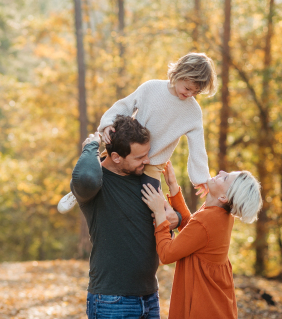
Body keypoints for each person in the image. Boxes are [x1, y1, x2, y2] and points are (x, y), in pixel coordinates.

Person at [58, 52, 217, 214]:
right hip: (128, 149)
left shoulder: (193, 112)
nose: (189, 94)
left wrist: (202, 178)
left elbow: (198, 147)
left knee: (153, 204)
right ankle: (77, 193)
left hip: (154, 162)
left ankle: (163, 235)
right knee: (99, 173)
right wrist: (107, 125)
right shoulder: (151, 88)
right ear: (178, 74)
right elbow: (123, 106)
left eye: (195, 92)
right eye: (187, 88)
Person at [141, 160, 262, 319]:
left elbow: (166, 254)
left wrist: (159, 214)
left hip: (205, 317)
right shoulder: (219, 215)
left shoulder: (208, 219)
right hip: (216, 311)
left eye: (225, 177)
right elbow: (192, 231)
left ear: (223, 197)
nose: (221, 171)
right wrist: (173, 186)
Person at [71, 115, 160, 319]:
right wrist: (92, 145)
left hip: (150, 298)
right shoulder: (96, 184)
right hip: (111, 300)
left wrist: (175, 217)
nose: (147, 160)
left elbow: (169, 217)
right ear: (116, 158)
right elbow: (84, 177)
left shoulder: (142, 178)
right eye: (140, 157)